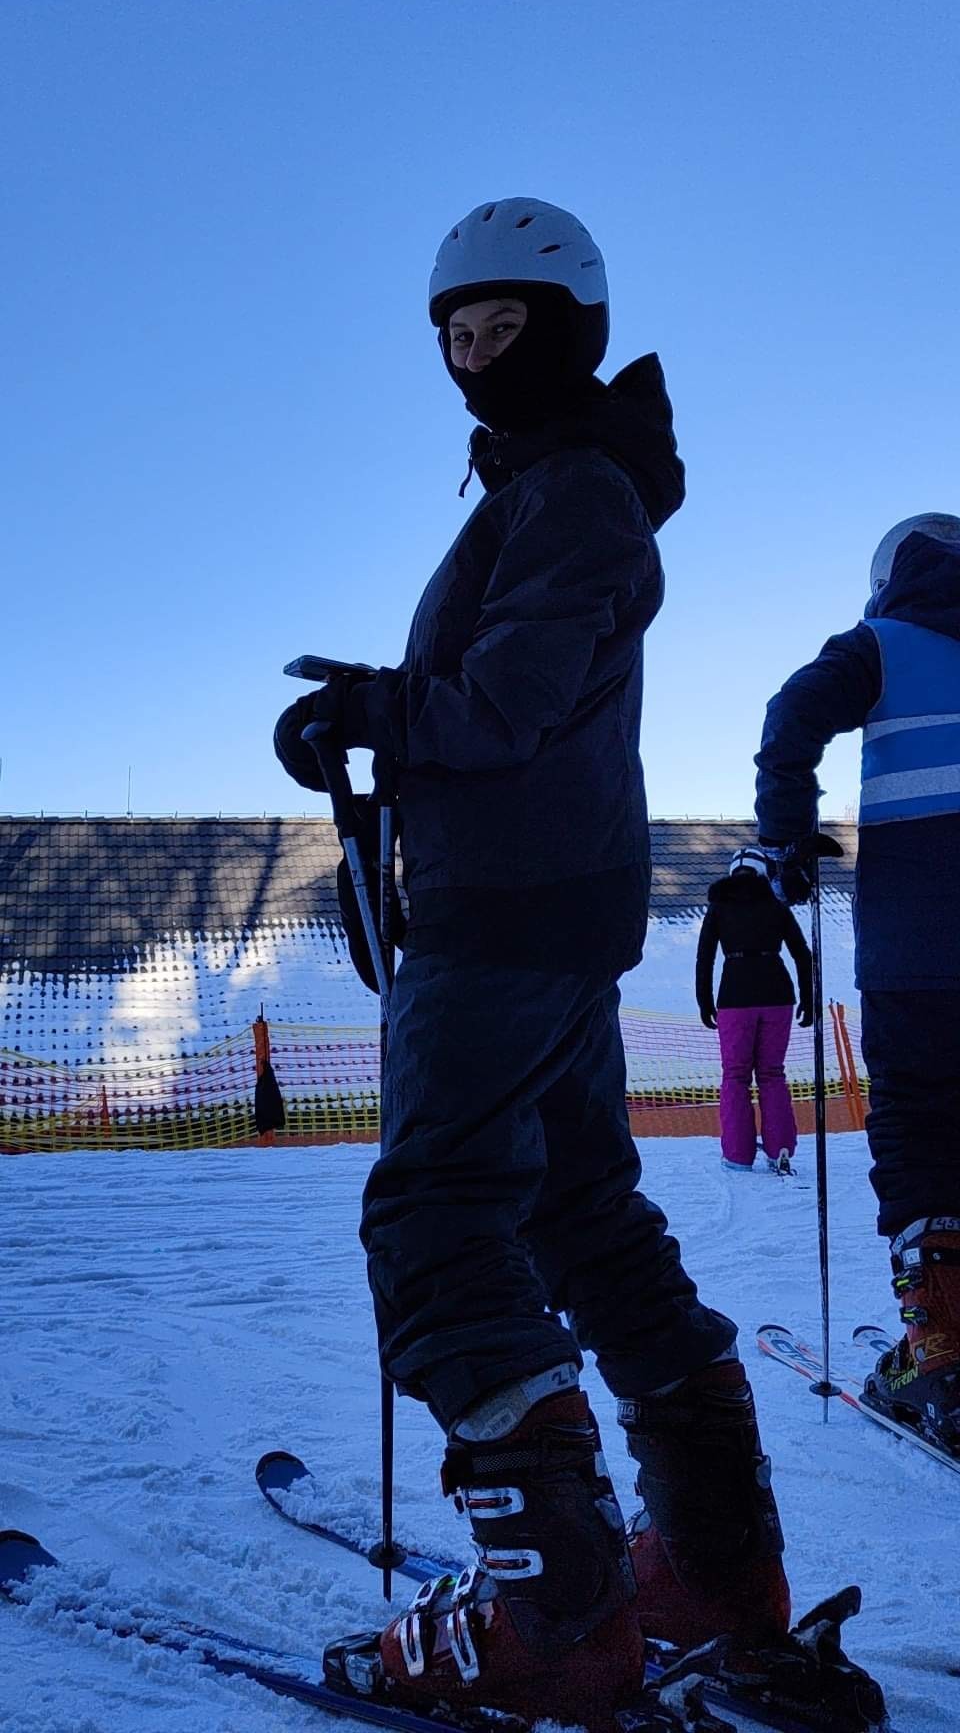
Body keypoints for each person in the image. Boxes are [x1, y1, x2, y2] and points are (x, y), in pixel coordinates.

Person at [275, 198, 788, 1728]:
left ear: (571, 333)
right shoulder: (562, 484)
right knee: (582, 1217)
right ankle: (713, 1572)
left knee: (438, 1223)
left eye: (506, 329)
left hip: (503, 918)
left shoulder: (571, 489)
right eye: (457, 334)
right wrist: (383, 710)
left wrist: (369, 710)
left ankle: (557, 1621)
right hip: (547, 908)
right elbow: (516, 699)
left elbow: (507, 703)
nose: (477, 356)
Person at [754, 512, 960, 1454]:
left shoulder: (881, 643)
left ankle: (941, 1356)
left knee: (916, 1121)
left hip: (918, 947)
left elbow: (792, 714)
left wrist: (788, 837)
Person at [696, 845, 813, 1173]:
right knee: (772, 1073)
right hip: (778, 994)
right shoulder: (776, 904)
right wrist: (808, 998)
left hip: (735, 997)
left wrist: (704, 1001)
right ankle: (780, 1148)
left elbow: (705, 957)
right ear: (763, 870)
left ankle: (738, 1154)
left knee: (735, 1076)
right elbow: (802, 953)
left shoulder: (719, 907)